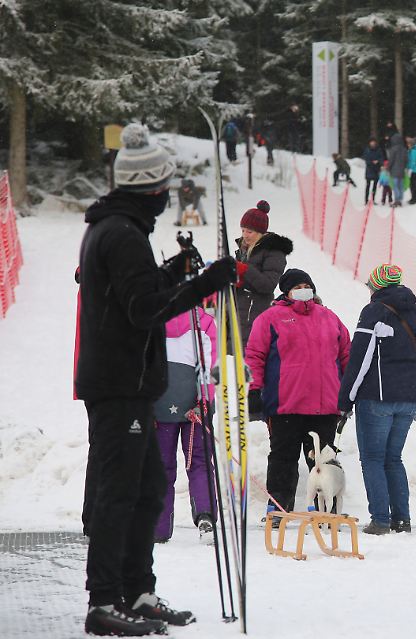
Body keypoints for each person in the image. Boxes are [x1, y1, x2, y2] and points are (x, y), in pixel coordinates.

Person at [76, 122, 236, 635]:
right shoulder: (120, 234)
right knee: (119, 493)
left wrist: (173, 272)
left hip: (134, 382)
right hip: (118, 383)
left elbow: (137, 295)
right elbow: (143, 311)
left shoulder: (124, 230)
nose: (168, 194)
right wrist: (203, 284)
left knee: (147, 491)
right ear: (149, 188)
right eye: (164, 186)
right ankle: (105, 600)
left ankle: (137, 591)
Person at [338, 264, 416, 536]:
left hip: (376, 399)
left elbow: (360, 359)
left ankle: (380, 519)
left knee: (372, 459)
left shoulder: (373, 313)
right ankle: (402, 519)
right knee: (394, 459)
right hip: (407, 399)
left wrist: (346, 399)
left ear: (376, 286)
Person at [245, 269, 351, 515]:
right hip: (285, 404)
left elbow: (347, 355)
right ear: (287, 291)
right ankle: (278, 508)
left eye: (307, 285)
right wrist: (253, 390)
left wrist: (348, 393)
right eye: (298, 286)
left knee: (323, 461)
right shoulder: (270, 318)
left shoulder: (329, 317)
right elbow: (255, 356)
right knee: (283, 457)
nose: (304, 289)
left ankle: (328, 510)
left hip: (325, 406)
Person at [153, 307, 217, 545]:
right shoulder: (204, 321)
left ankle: (158, 526)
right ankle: (205, 515)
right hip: (195, 405)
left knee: (161, 465)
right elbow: (209, 364)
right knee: (199, 462)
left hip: (159, 403)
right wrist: (204, 400)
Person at [233, 200, 293, 345]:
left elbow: (268, 284)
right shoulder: (244, 249)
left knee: (249, 351)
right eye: (243, 230)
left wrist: (244, 270)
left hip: (256, 310)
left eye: (249, 231)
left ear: (261, 232)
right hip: (238, 309)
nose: (245, 235)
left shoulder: (274, 252)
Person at [387, 132, 408, 206]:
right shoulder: (404, 149)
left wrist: (388, 168)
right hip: (402, 170)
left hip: (394, 170)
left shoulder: (393, 149)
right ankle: (400, 198)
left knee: (395, 185)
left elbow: (391, 160)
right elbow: (406, 160)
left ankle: (397, 199)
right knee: (401, 185)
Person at [362, 138, 384, 205]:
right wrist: (371, 162)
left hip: (376, 170)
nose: (372, 144)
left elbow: (381, 158)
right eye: (371, 143)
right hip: (369, 169)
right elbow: (365, 158)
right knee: (368, 186)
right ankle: (366, 200)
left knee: (374, 186)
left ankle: (373, 199)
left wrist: (378, 161)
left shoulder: (379, 150)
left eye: (374, 143)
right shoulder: (367, 150)